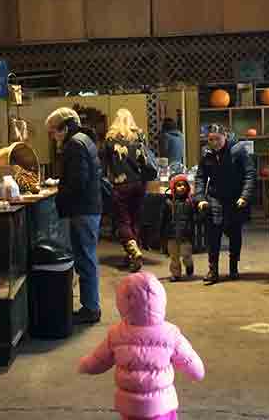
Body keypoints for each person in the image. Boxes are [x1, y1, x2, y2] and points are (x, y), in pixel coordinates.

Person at [78, 272, 205, 420]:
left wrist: (85, 366)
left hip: (129, 402)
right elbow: (189, 360)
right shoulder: (170, 333)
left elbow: (99, 360)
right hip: (159, 403)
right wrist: (198, 372)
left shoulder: (116, 333)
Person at [47, 107, 103, 324]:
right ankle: (91, 305)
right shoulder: (85, 140)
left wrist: (61, 199)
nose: (53, 137)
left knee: (85, 259)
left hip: (82, 209)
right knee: (87, 257)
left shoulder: (74, 145)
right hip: (90, 207)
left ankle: (91, 308)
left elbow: (78, 181)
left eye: (54, 131)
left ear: (65, 127)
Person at [194, 123, 255, 285]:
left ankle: (233, 266)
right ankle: (213, 270)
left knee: (235, 235)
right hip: (215, 198)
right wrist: (200, 197)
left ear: (225, 137)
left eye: (217, 139)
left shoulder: (238, 151)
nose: (213, 142)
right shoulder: (207, 153)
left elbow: (250, 173)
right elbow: (200, 177)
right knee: (213, 236)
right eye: (210, 139)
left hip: (235, 200)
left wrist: (245, 196)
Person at [102, 109, 149, 272]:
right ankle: (131, 256)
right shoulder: (139, 135)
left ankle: (133, 251)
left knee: (123, 220)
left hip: (121, 184)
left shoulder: (110, 138)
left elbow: (104, 164)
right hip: (140, 183)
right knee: (135, 220)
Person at [160, 174, 196, 281]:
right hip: (172, 234)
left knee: (186, 254)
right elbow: (163, 220)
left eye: (184, 185)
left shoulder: (190, 202)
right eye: (179, 185)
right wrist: (162, 234)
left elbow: (194, 218)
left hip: (186, 234)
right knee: (174, 257)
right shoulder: (168, 203)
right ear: (173, 187)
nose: (182, 187)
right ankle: (176, 274)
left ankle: (189, 265)